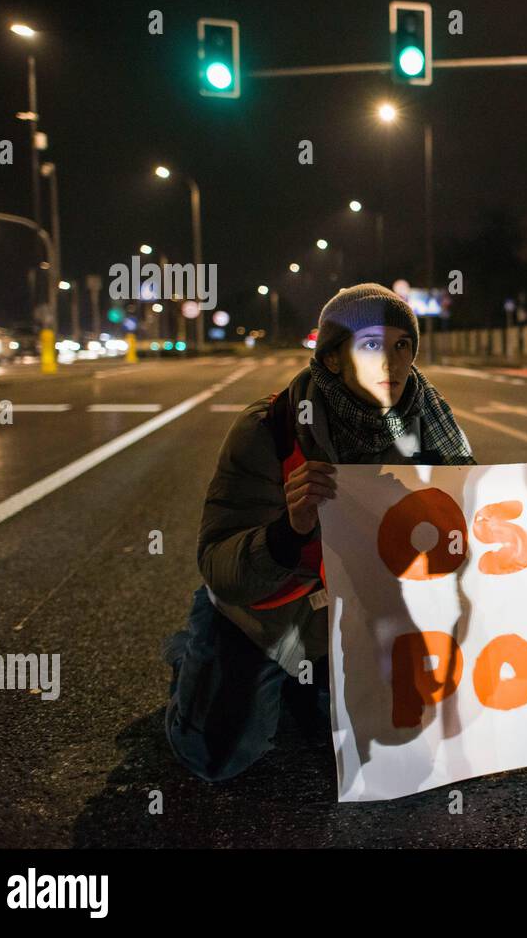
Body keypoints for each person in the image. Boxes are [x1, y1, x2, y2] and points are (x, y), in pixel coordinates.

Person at [163, 283, 475, 782]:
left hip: (364, 611)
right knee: (217, 758)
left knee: (407, 748)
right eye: (371, 344)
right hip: (270, 609)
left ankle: (312, 684)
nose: (392, 363)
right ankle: (195, 655)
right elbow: (221, 565)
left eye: (402, 345)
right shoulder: (270, 427)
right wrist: (290, 530)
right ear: (332, 359)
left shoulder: (431, 425)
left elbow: (468, 529)